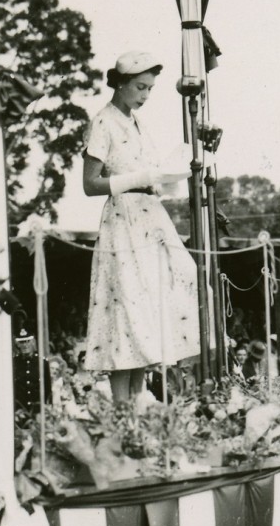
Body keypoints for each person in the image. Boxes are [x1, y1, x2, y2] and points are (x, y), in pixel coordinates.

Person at [82, 51, 198, 403]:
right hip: (124, 219)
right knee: (126, 310)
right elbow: (90, 183)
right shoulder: (103, 122)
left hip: (150, 218)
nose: (145, 95)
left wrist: (163, 175)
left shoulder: (137, 123)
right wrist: (138, 178)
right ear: (120, 83)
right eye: (139, 87)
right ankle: (123, 411)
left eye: (149, 89)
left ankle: (138, 401)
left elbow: (148, 170)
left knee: (154, 302)